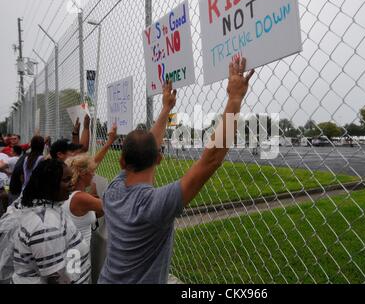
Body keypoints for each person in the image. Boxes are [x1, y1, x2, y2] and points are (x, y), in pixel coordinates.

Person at [99, 57, 255, 284]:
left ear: (122, 162)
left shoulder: (112, 190)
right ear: (159, 158)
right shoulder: (154, 205)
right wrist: (234, 98)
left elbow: (152, 145)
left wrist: (165, 108)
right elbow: (210, 160)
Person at [12, 159, 91, 284]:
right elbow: (55, 278)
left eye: (71, 178)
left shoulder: (50, 208)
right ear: (49, 184)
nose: (71, 184)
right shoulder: (45, 227)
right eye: (66, 180)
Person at [62, 124, 117, 247]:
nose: (93, 174)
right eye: (91, 171)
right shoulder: (80, 198)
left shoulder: (68, 192)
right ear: (82, 174)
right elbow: (109, 207)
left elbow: (97, 212)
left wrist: (109, 142)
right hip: (77, 259)